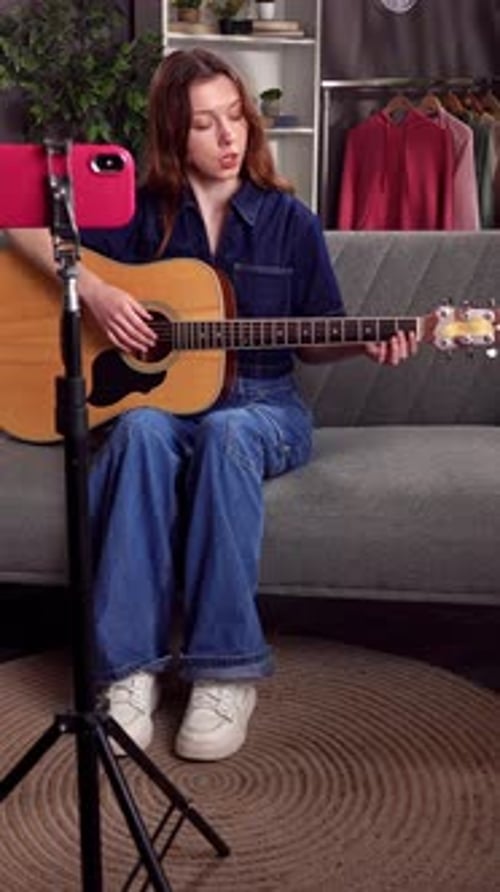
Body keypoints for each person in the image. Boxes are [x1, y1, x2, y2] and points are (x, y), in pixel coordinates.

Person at [7, 48, 416, 762]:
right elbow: (18, 222)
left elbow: (316, 337)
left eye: (236, 118)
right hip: (164, 410)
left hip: (261, 405)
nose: (229, 138)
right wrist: (98, 293)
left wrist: (364, 343)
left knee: (227, 431)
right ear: (173, 133)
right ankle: (127, 669)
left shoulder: (290, 220)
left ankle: (225, 672)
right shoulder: (139, 213)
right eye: (205, 124)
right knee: (135, 429)